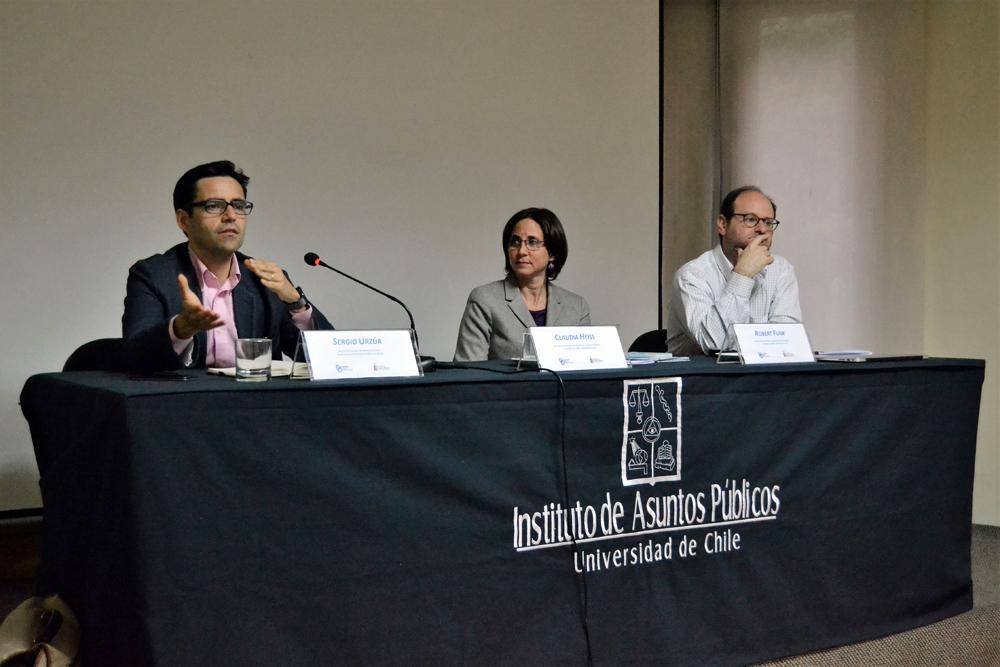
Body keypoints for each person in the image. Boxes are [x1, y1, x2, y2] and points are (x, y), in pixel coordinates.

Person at [122, 160, 332, 373]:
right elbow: (135, 357)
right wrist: (181, 329)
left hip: (257, 402)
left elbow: (328, 360)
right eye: (214, 206)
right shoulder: (154, 275)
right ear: (184, 220)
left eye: (239, 206)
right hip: (185, 402)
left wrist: (296, 303)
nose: (231, 216)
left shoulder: (265, 281)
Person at [666, 185, 801, 355]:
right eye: (750, 219)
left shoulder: (781, 270)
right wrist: (743, 275)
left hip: (764, 379)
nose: (762, 229)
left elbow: (787, 344)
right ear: (723, 224)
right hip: (707, 379)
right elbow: (715, 344)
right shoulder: (692, 275)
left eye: (768, 222)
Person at [454, 207, 591, 361]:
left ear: (553, 253)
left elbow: (584, 372)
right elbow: (469, 373)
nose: (521, 251)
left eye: (532, 242)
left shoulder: (576, 307)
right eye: (515, 242)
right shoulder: (484, 299)